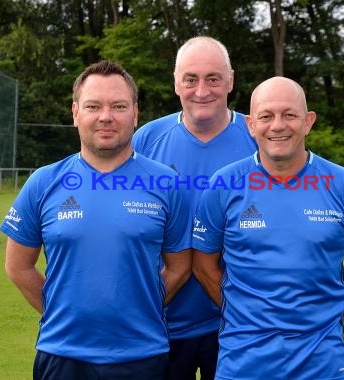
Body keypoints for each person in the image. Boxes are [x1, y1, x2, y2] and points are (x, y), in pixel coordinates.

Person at [0, 60, 192, 380]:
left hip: (143, 354)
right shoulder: (43, 182)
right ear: (76, 113)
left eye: (118, 105)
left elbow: (181, 266)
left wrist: (142, 307)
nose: (106, 116)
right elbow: (17, 266)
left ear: (135, 112)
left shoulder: (167, 183)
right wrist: (60, 313)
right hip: (62, 355)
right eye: (93, 106)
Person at [192, 76, 344, 380]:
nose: (278, 125)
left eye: (289, 115)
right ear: (251, 125)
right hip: (242, 364)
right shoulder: (224, 183)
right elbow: (202, 265)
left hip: (322, 365)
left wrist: (327, 319)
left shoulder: (343, 184)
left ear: (308, 121)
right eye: (266, 116)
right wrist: (242, 314)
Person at [132, 36, 257, 380]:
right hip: (163, 324)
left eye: (213, 78)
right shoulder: (145, 140)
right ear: (176, 83)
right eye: (191, 79)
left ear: (230, 81)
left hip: (239, 327)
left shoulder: (259, 136)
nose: (202, 90)